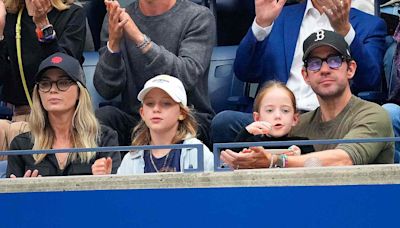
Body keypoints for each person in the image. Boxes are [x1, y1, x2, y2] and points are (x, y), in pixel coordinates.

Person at [211, 0, 387, 143]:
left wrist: (346, 32)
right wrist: (261, 26)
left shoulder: (369, 24)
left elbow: (369, 80)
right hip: (276, 119)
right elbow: (245, 72)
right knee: (224, 122)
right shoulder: (280, 16)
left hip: (333, 121)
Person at [220, 30, 394, 169]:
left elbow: (343, 160)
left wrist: (276, 161)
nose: (324, 69)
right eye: (315, 63)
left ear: (350, 69)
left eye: (334, 61)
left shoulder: (373, 115)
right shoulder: (297, 125)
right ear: (305, 75)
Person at [93, 0, 216, 147]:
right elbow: (106, 89)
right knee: (103, 118)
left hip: (185, 118)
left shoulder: (198, 16)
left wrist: (140, 40)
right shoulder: (117, 17)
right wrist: (113, 46)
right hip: (138, 118)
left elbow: (186, 76)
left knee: (184, 126)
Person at [6, 53, 121, 177]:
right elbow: (10, 194)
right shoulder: (21, 145)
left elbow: (118, 194)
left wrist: (105, 180)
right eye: (45, 84)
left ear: (79, 92)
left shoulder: (104, 139)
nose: (53, 90)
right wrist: (24, 194)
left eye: (63, 83)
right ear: (38, 93)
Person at [0, 0, 86, 152]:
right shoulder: (10, 17)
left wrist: (44, 28)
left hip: (61, 119)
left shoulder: (72, 14)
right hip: (20, 115)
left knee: (20, 133)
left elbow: (65, 70)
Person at [92, 75, 213, 175]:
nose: (156, 109)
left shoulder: (197, 152)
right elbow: (122, 201)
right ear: (142, 113)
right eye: (150, 103)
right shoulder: (131, 159)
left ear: (182, 113)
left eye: (166, 103)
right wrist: (105, 181)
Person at [232, 80, 314, 154]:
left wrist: (299, 157)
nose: (277, 116)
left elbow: (314, 166)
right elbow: (228, 160)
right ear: (257, 118)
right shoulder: (251, 143)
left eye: (285, 110)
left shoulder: (303, 144)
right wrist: (245, 132)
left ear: (294, 119)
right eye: (270, 110)